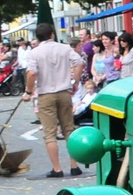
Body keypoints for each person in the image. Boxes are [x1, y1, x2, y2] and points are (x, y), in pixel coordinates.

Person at [21, 22, 85, 179]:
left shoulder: (34, 53)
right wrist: (75, 82)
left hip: (46, 94)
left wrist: (28, 91)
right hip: (64, 92)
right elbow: (79, 63)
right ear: (52, 34)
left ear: (38, 37)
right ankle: (74, 165)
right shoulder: (64, 48)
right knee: (68, 129)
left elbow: (31, 74)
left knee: (49, 133)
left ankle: (57, 168)